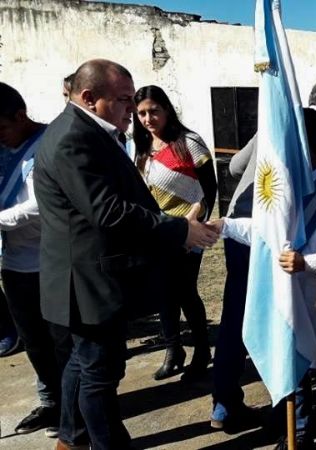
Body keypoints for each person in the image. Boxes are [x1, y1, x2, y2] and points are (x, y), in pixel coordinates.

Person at [34, 59, 218, 450]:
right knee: (99, 373)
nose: (130, 111)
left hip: (91, 276)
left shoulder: (90, 132)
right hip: (87, 281)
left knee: (83, 365)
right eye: (121, 100)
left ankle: (71, 438)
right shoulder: (74, 137)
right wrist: (180, 228)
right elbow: (108, 211)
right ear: (89, 97)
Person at [212, 108, 316, 450]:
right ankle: (297, 434)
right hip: (290, 302)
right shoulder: (291, 189)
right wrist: (224, 226)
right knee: (295, 377)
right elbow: (265, 231)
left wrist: (308, 261)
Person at [0, 82, 72, 438]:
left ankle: (74, 411)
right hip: (13, 264)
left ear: (20, 115)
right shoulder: (2, 150)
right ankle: (51, 402)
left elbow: (41, 206)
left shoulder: (49, 145)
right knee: (34, 342)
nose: (1, 139)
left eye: (2, 128)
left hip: (50, 262)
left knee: (61, 341)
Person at [133, 85, 217, 381]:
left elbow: (209, 188)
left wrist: (194, 222)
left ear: (167, 109)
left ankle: (203, 350)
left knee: (185, 290)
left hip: (188, 231)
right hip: (157, 233)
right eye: (141, 113)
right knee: (162, 292)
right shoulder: (142, 148)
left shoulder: (189, 142)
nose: (148, 118)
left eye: (153, 111)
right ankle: (173, 349)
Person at [207, 133, 260, 429]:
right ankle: (285, 413)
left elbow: (235, 167)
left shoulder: (271, 123)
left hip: (236, 222)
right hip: (262, 229)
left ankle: (223, 405)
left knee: (234, 318)